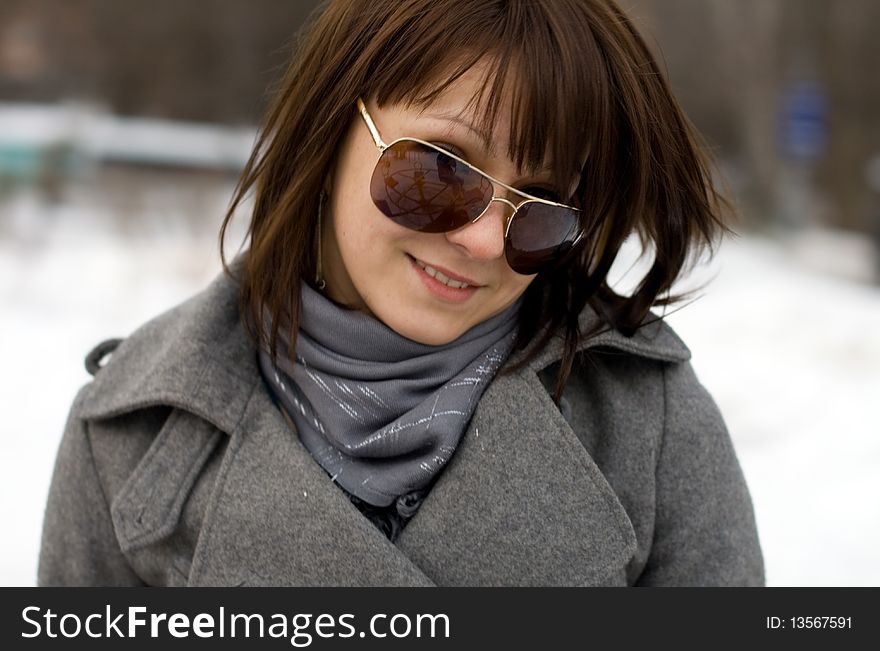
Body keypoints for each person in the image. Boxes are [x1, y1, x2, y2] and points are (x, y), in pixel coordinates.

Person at [38, 0, 764, 586]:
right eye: (441, 170)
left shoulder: (649, 425)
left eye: (540, 206)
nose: (483, 241)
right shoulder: (127, 435)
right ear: (329, 132)